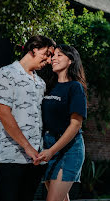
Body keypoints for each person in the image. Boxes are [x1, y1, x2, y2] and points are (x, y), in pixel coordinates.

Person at [0, 35, 56, 201]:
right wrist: (27, 146)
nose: (49, 60)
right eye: (47, 54)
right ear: (35, 49)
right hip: (10, 155)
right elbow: (4, 113)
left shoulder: (41, 83)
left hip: (36, 159)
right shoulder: (6, 73)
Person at [37, 44, 87, 201]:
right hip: (47, 146)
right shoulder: (48, 87)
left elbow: (75, 125)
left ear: (70, 60)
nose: (53, 59)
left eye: (59, 55)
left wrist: (52, 150)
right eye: (53, 56)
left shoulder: (75, 87)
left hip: (69, 149)